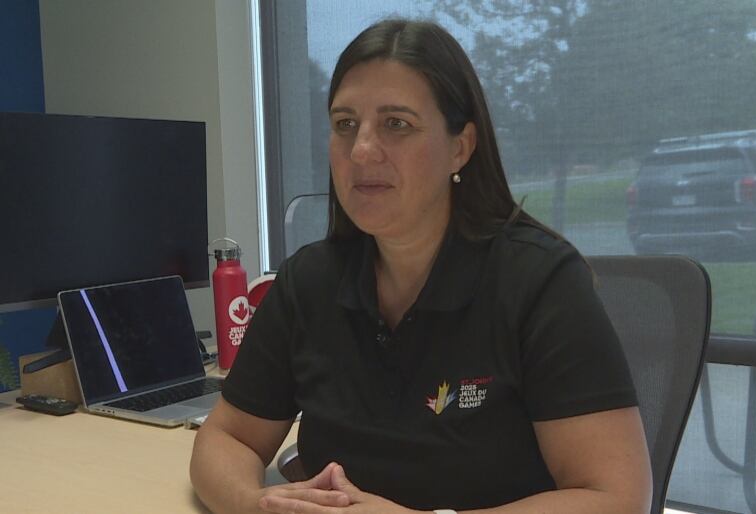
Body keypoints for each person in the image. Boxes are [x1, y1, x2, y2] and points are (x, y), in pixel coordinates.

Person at [190, 18, 652, 514]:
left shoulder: (539, 281)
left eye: (397, 124)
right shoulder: (309, 281)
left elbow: (617, 498)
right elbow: (227, 438)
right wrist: (253, 503)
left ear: (461, 146)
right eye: (345, 123)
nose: (362, 149)